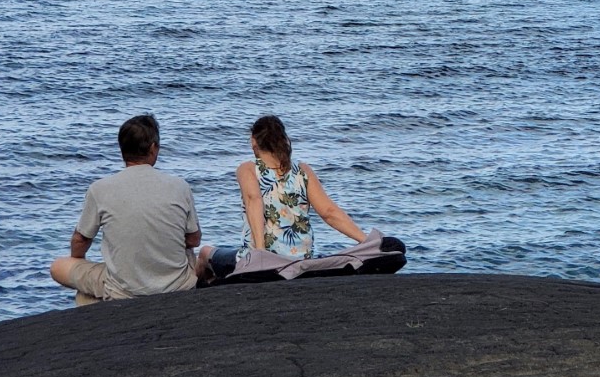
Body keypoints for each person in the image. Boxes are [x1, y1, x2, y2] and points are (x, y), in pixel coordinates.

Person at [49, 113, 201, 303]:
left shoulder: (99, 189)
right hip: (177, 285)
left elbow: (80, 240)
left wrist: (78, 261)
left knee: (58, 267)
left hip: (122, 291)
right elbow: (194, 239)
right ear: (153, 148)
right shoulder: (180, 186)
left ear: (122, 149)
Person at [199, 114, 368, 283]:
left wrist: (260, 253)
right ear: (283, 139)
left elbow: (254, 200)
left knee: (205, 253)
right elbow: (329, 212)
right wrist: (366, 242)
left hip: (262, 260)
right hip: (302, 260)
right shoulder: (302, 170)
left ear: (253, 142)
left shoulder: (248, 169)